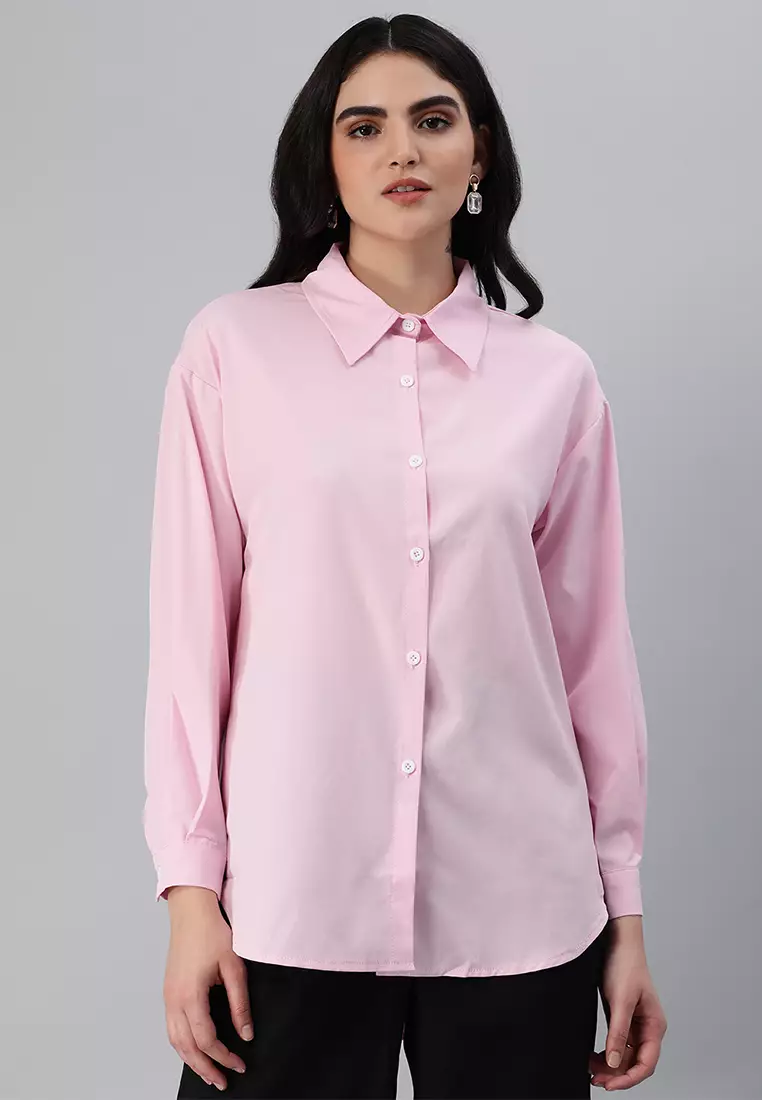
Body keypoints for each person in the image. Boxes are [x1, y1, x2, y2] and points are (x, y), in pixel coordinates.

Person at [142, 13, 667, 1099]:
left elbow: (592, 663)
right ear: (325, 161)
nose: (401, 151)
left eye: (433, 120)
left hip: (521, 904)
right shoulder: (232, 350)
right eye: (364, 126)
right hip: (292, 895)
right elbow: (191, 641)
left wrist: (624, 913)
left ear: (479, 154)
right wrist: (192, 893)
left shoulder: (555, 380)